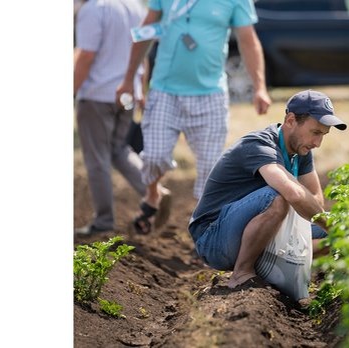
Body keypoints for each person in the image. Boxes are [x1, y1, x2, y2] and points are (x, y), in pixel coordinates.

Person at [117, 0, 272, 235]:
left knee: (210, 168)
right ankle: (153, 194)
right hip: (164, 91)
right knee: (155, 156)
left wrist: (259, 86)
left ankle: (204, 230)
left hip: (210, 95)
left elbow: (248, 41)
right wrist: (129, 79)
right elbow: (144, 32)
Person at [188, 90, 347, 288]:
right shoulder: (258, 144)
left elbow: (316, 199)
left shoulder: (301, 150)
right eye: (315, 132)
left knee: (331, 234)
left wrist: (335, 230)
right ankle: (242, 273)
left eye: (323, 135)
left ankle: (274, 266)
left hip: (251, 230)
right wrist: (335, 228)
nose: (318, 143)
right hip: (213, 238)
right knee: (277, 197)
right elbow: (294, 193)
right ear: (290, 120)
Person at [73, 0, 149, 235]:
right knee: (118, 149)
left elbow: (86, 56)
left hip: (98, 94)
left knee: (98, 159)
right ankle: (154, 191)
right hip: (127, 93)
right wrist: (141, 91)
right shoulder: (138, 8)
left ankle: (103, 221)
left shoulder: (94, 9)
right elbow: (143, 55)